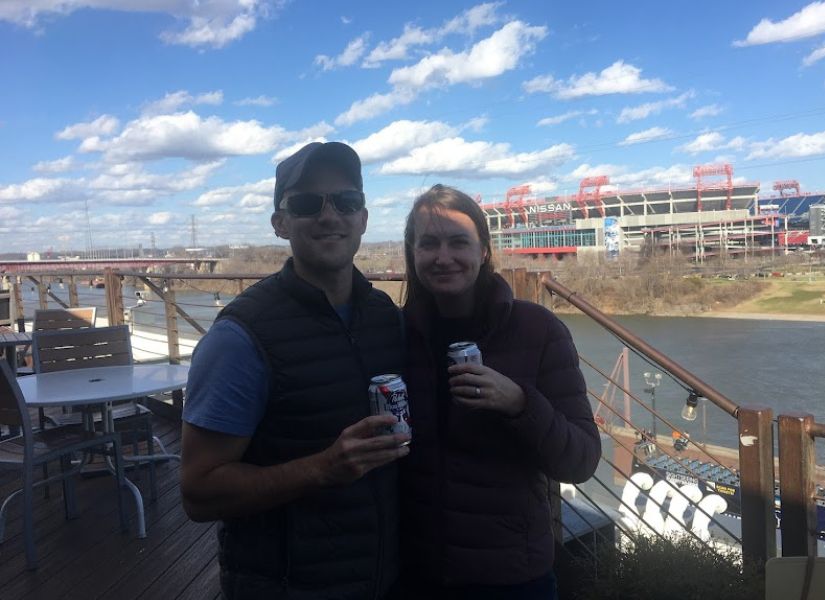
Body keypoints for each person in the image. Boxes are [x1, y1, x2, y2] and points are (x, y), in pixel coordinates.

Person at [180, 141, 410, 599]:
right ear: (281, 224)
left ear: (363, 218)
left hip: (385, 580)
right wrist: (322, 468)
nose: (330, 216)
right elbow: (199, 492)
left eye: (346, 201)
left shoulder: (384, 315)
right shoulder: (239, 339)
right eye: (307, 203)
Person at [396, 184, 602, 599]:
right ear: (412, 252)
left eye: (459, 242)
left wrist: (520, 403)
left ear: (484, 251)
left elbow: (581, 460)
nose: (443, 257)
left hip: (511, 576)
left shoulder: (538, 330)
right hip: (413, 573)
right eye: (429, 244)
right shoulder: (394, 335)